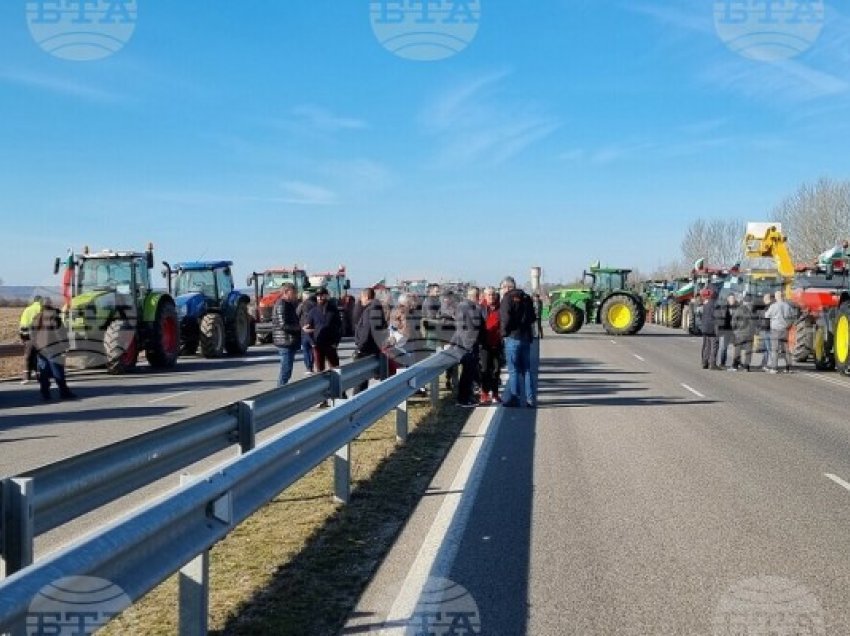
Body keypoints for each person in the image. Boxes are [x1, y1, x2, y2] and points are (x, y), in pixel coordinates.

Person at [499, 276, 536, 408]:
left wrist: (503, 334)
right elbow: (532, 317)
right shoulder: (526, 297)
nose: (502, 290)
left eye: (502, 287)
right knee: (526, 369)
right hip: (526, 337)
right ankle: (530, 399)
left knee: (513, 370)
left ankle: (515, 397)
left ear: (507, 287)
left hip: (513, 337)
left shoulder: (507, 298)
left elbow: (505, 318)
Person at [31, 297, 76, 401]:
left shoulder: (37, 317)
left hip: (40, 348)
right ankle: (64, 392)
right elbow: (59, 332)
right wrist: (66, 346)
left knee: (44, 371)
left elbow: (32, 333)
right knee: (57, 370)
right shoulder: (54, 317)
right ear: (50, 304)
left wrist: (36, 345)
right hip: (53, 347)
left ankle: (45, 393)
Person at [453, 286, 484, 407]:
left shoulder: (470, 307)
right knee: (467, 373)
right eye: (477, 296)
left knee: (469, 373)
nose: (478, 298)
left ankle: (467, 397)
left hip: (470, 344)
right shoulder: (464, 307)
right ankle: (463, 399)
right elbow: (462, 328)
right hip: (467, 345)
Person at [352, 287, 387, 395]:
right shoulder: (377, 308)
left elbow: (366, 331)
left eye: (361, 297)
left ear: (366, 297)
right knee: (364, 378)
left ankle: (356, 404)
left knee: (359, 379)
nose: (360, 300)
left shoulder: (370, 310)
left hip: (366, 350)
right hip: (375, 348)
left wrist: (360, 347)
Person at [271, 283, 301, 386]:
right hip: (285, 342)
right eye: (294, 293)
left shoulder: (289, 304)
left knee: (287, 371)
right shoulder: (281, 304)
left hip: (289, 342)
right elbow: (283, 325)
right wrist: (299, 328)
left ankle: (281, 392)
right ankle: (278, 394)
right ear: (286, 292)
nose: (295, 295)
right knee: (285, 371)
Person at [479, 286, 503, 404]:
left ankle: (495, 394)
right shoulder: (481, 308)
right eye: (489, 295)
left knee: (496, 369)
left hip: (497, 343)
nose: (491, 297)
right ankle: (484, 394)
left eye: (493, 294)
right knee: (485, 369)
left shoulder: (500, 308)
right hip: (484, 344)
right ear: (484, 296)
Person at [764, 289, 794, 373]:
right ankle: (788, 368)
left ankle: (774, 368)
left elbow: (767, 315)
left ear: (777, 297)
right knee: (786, 349)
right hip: (784, 330)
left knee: (775, 350)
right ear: (783, 296)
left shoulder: (773, 306)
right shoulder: (787, 306)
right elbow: (793, 316)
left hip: (775, 330)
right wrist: (789, 325)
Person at [18, 294, 43, 384]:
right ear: (41, 301)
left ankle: (26, 378)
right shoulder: (44, 309)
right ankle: (40, 377)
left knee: (28, 357)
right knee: (41, 357)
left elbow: (23, 326)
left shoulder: (27, 310)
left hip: (30, 338)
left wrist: (23, 338)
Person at [730, 294, 756, 371]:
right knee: (748, 350)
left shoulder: (739, 309)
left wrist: (734, 330)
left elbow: (733, 321)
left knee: (737, 349)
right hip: (750, 333)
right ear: (751, 301)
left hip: (740, 333)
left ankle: (735, 366)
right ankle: (746, 366)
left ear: (744, 301)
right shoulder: (753, 310)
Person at [699, 288, 721, 370]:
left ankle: (704, 363)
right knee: (714, 345)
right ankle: (712, 364)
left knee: (706, 346)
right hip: (712, 328)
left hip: (705, 328)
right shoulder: (715, 304)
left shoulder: (706, 303)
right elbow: (718, 317)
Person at [297, 289, 316, 374]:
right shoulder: (316, 305)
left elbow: (297, 315)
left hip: (304, 330)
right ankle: (312, 365)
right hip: (314, 330)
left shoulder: (302, 305)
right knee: (312, 348)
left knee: (306, 349)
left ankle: (309, 367)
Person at [717, 294, 737, 368]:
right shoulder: (724, 307)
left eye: (733, 299)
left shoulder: (737, 308)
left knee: (736, 347)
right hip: (725, 330)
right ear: (728, 299)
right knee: (723, 347)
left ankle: (735, 364)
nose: (732, 300)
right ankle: (722, 363)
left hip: (734, 330)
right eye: (731, 299)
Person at [756, 293, 773, 369]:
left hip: (767, 329)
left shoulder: (769, 307)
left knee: (768, 348)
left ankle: (771, 365)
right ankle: (764, 363)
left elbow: (766, 319)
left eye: (764, 298)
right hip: (766, 329)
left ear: (766, 299)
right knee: (765, 348)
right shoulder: (768, 306)